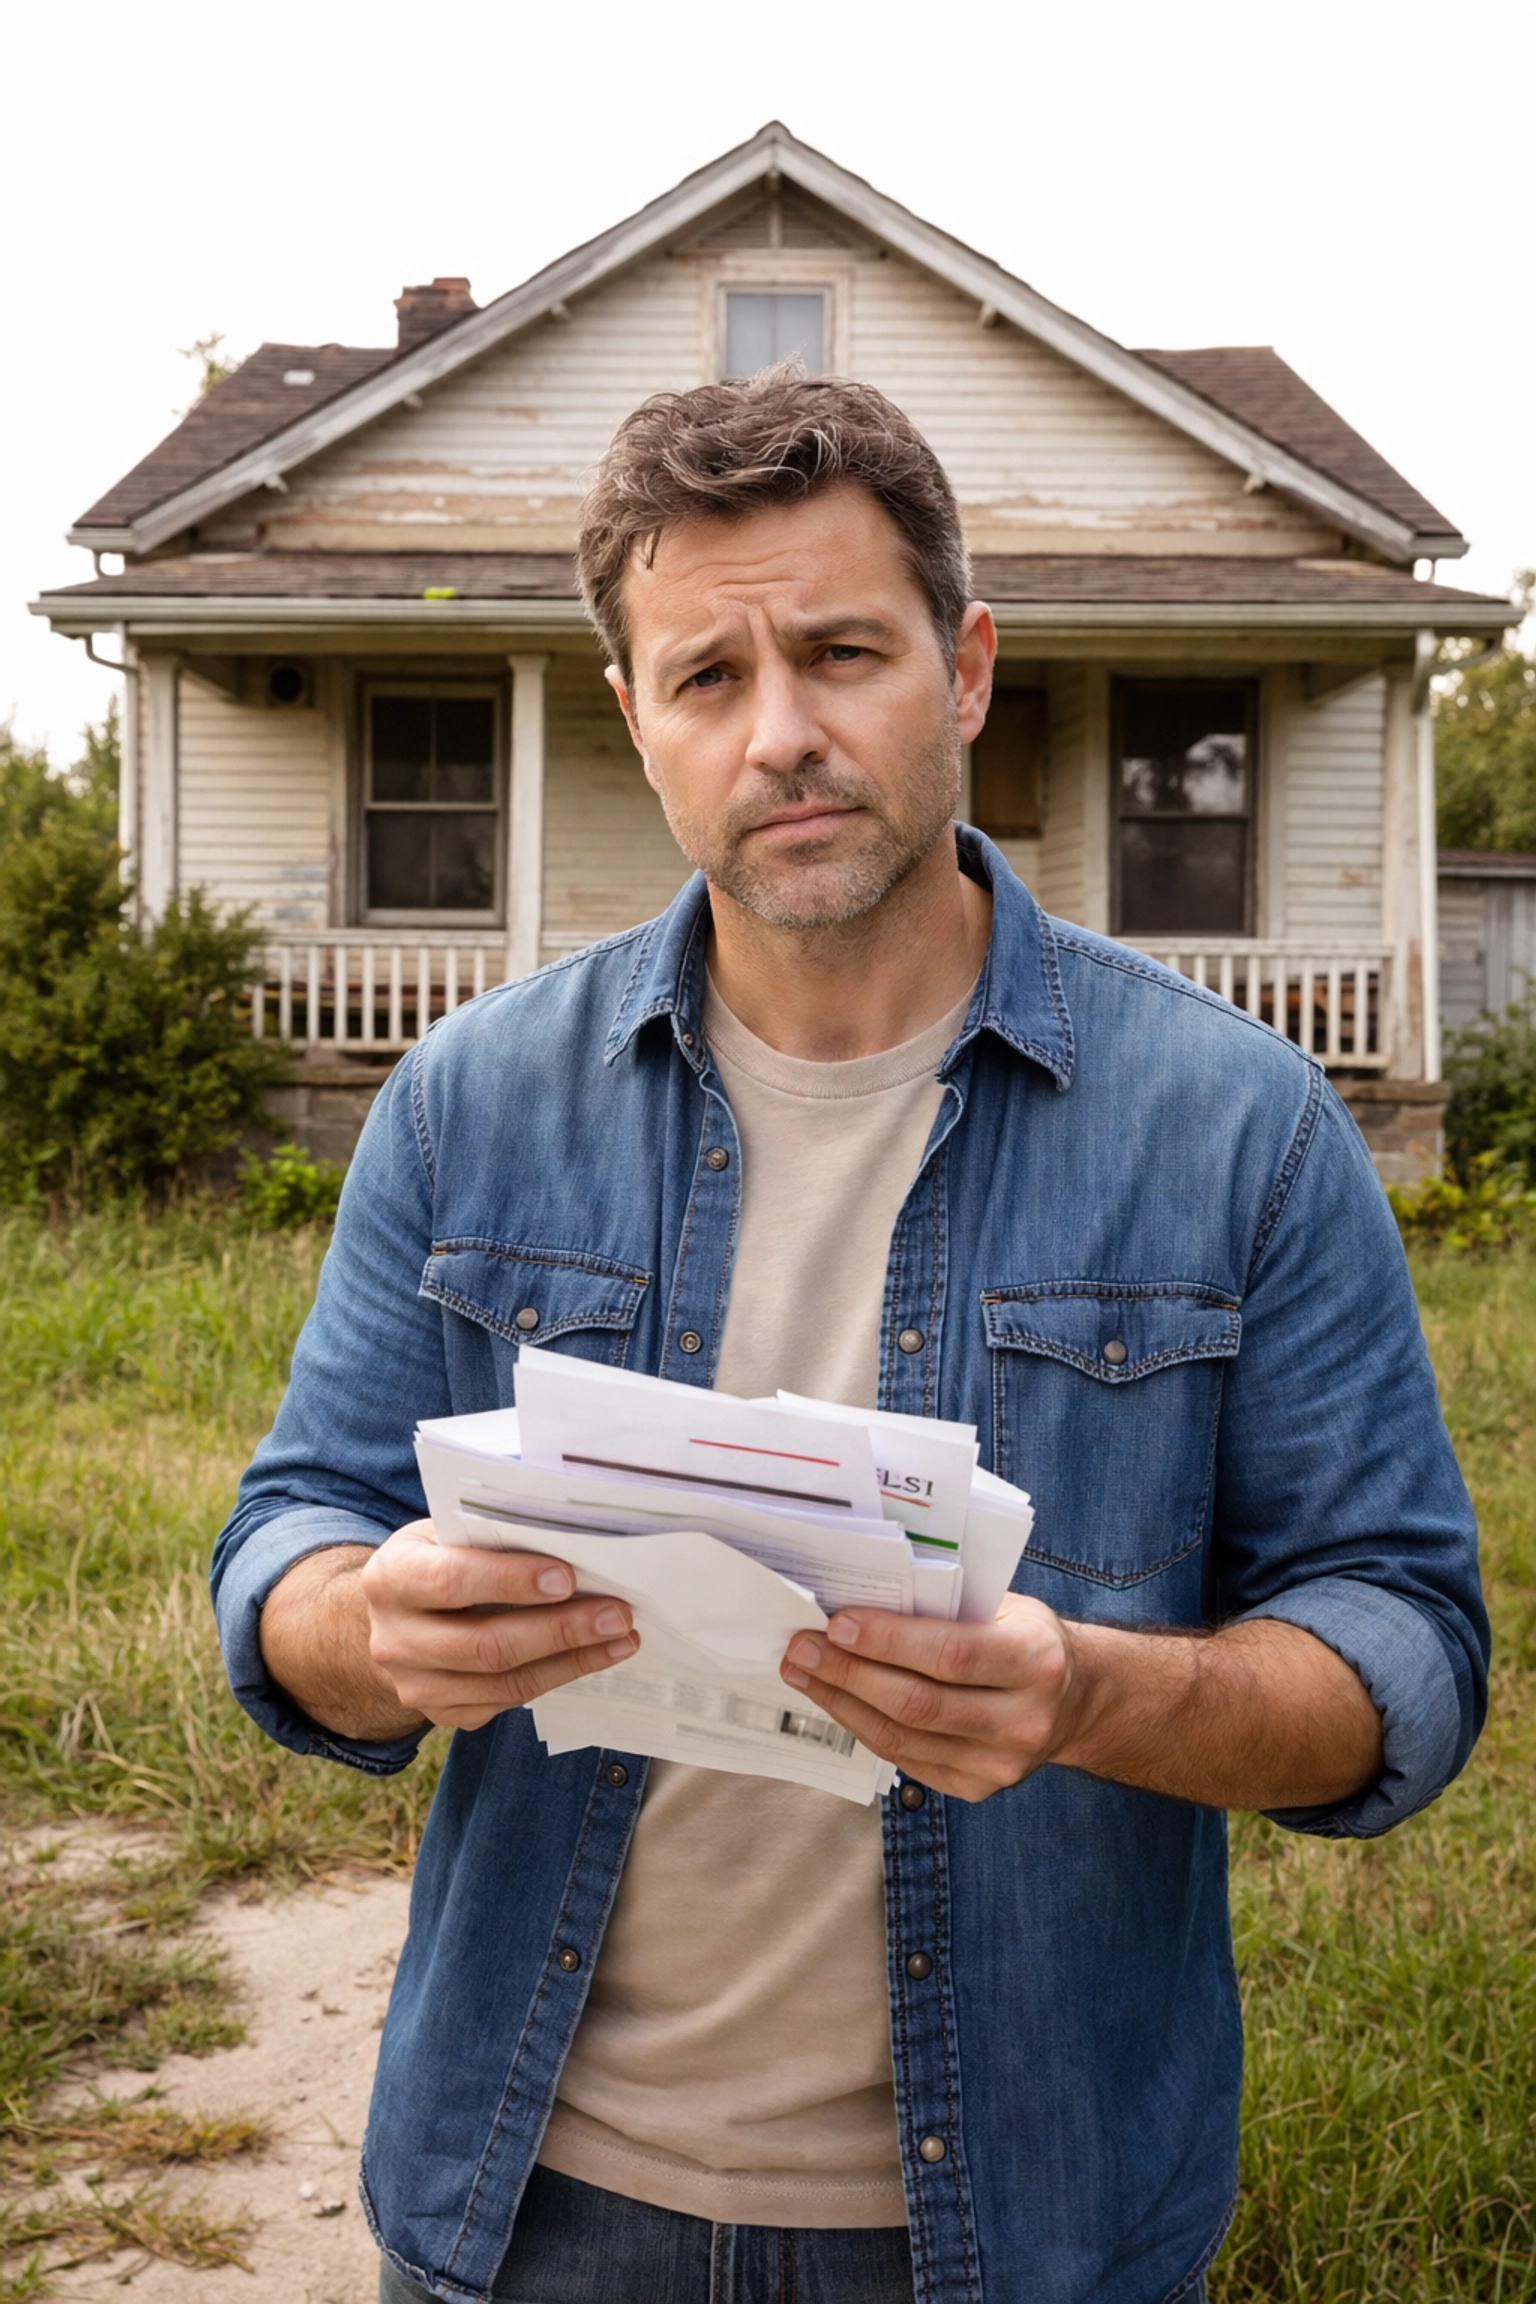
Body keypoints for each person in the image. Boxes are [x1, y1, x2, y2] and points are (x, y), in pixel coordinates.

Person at [214, 368, 1488, 2304]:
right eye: (709, 679)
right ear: (634, 719)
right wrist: (365, 1623)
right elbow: (287, 1538)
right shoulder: (466, 1107)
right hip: (526, 2204)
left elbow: (1405, 1651)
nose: (786, 734)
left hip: (1027, 2229)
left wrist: (1085, 1696)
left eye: (842, 652)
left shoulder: (1242, 1132)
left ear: (965, 669)